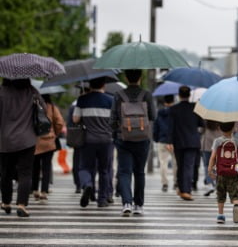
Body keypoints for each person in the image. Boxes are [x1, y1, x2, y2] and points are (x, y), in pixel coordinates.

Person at [110, 69, 155, 216]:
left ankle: (127, 202)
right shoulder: (147, 95)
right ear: (140, 78)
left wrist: (117, 133)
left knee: (124, 171)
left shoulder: (118, 95)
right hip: (143, 138)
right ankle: (139, 205)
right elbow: (153, 116)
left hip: (123, 139)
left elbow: (112, 120)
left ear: (126, 78)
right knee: (139, 172)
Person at [0, 78, 44, 217]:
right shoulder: (32, 92)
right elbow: (44, 109)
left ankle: (6, 202)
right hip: (27, 139)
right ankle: (21, 204)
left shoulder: (1, 92)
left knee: (6, 172)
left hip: (4, 139)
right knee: (25, 173)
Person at [73, 77, 114, 208]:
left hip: (88, 140)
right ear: (104, 85)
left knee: (85, 167)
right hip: (106, 140)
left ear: (90, 85)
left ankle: (88, 184)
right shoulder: (111, 100)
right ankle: (102, 200)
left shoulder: (82, 99)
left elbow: (75, 119)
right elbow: (115, 121)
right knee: (104, 170)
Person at [166, 86, 203, 201]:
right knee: (188, 166)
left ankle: (182, 188)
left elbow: (170, 126)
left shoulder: (173, 109)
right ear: (189, 95)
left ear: (179, 95)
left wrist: (169, 141)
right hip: (192, 141)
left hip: (178, 141)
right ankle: (186, 190)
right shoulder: (195, 108)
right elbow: (201, 124)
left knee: (180, 165)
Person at [208, 122, 238, 224]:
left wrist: (210, 169)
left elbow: (213, 157)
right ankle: (236, 205)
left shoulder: (217, 141)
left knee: (220, 193)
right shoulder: (237, 141)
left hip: (221, 172)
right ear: (233, 128)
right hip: (234, 171)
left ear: (219, 128)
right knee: (235, 193)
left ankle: (221, 215)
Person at [32, 94, 65, 202]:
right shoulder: (52, 107)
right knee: (46, 167)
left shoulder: (33, 106)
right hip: (49, 140)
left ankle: (35, 189)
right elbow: (59, 122)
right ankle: (44, 191)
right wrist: (55, 133)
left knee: (35, 166)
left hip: (35, 141)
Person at [153, 94, 177, 192]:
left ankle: (165, 183)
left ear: (164, 102)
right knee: (176, 163)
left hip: (162, 140)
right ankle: (176, 182)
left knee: (163, 163)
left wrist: (156, 138)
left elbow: (156, 127)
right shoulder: (176, 112)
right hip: (175, 141)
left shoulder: (160, 112)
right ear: (173, 101)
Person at [201, 120, 221, 196]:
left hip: (207, 144)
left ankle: (210, 184)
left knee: (207, 165)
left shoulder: (206, 119)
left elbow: (201, 130)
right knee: (218, 165)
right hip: (218, 143)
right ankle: (217, 183)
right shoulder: (222, 117)